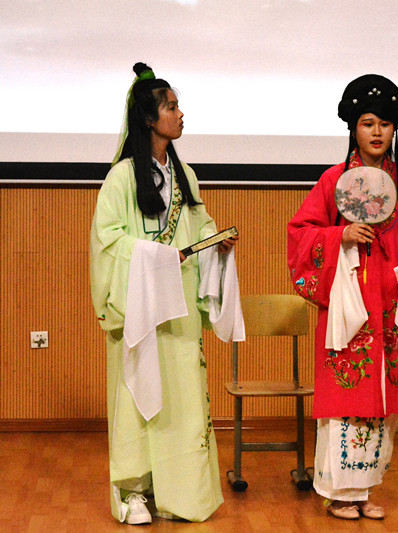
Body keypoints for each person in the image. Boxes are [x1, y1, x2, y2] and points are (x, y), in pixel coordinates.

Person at [287, 74, 398, 520]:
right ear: (353, 128)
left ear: (395, 129)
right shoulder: (334, 180)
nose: (377, 132)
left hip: (390, 305)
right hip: (350, 306)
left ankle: (366, 489)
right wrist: (339, 235)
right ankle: (340, 493)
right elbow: (300, 233)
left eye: (385, 124)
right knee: (346, 400)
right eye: (368, 123)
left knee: (383, 402)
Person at [90, 62, 238, 524]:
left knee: (181, 398)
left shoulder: (184, 175)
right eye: (171, 107)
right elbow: (107, 240)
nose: (180, 114)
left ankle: (181, 490)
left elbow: (200, 223)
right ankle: (134, 491)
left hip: (179, 307)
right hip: (139, 306)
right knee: (137, 395)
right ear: (148, 118)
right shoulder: (121, 178)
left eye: (177, 106)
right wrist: (151, 257)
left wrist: (215, 240)